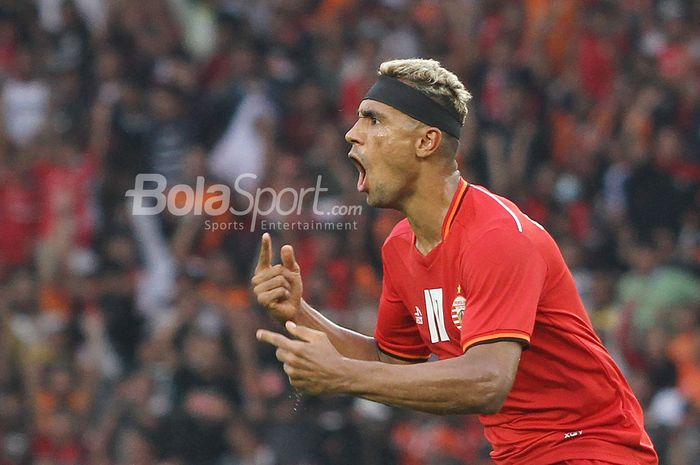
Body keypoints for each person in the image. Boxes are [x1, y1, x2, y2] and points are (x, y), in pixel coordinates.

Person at [251, 58, 659, 465]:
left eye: (373, 120)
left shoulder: (495, 237)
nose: (352, 133)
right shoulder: (399, 246)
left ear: (426, 142)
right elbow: (390, 363)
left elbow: (487, 381)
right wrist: (298, 314)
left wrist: (342, 376)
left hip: (592, 449)